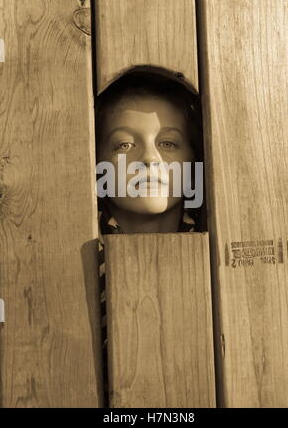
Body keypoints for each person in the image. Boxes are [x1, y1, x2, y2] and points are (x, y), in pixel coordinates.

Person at [95, 68, 206, 405]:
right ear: (95, 161)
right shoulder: (76, 264)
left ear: (193, 160)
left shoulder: (220, 262)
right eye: (124, 144)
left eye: (168, 143)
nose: (149, 159)